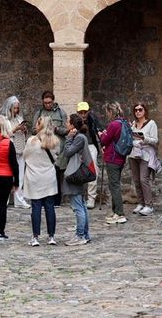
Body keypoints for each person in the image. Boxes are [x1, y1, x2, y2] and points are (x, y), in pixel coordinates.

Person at [23, 116, 59, 246]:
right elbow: (56, 158)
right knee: (50, 207)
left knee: (36, 207)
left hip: (34, 177)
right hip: (49, 176)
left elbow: (25, 156)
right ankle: (51, 236)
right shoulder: (55, 141)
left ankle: (35, 236)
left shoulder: (32, 141)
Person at [32, 91, 68, 206]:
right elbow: (34, 130)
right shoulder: (39, 113)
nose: (48, 105)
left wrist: (56, 129)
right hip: (43, 148)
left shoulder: (61, 112)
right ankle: (42, 199)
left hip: (57, 148)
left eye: (50, 102)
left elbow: (66, 130)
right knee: (43, 174)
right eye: (45, 103)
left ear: (53, 101)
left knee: (57, 174)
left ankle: (57, 200)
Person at [63, 114, 93, 245]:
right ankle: (85, 234)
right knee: (81, 205)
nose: (66, 125)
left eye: (67, 123)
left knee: (78, 207)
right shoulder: (81, 137)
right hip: (78, 174)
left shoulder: (79, 138)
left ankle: (80, 235)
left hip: (76, 174)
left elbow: (68, 152)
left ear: (72, 125)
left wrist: (69, 138)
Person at [98, 102, 128, 224]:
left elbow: (105, 140)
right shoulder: (124, 122)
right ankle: (115, 212)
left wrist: (101, 135)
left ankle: (120, 213)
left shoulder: (114, 125)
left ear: (110, 112)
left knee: (114, 186)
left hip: (112, 157)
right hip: (120, 157)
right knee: (114, 184)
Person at [128, 103, 159, 216]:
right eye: (135, 110)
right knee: (136, 180)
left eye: (140, 110)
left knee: (143, 179)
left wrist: (144, 138)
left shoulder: (151, 124)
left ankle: (148, 205)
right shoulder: (133, 124)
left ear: (145, 111)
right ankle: (140, 203)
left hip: (145, 154)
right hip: (134, 153)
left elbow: (155, 140)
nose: (138, 112)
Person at [0, 96, 31, 209]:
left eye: (18, 108)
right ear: (9, 107)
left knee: (20, 175)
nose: (16, 111)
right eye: (14, 108)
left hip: (20, 148)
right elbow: (3, 134)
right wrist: (15, 129)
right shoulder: (3, 119)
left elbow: (23, 132)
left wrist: (24, 129)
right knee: (8, 175)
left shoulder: (19, 118)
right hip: (9, 149)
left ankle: (19, 199)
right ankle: (5, 199)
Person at [76, 102, 103, 209]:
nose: (83, 114)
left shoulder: (92, 119)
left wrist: (103, 144)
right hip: (78, 147)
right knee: (77, 171)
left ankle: (91, 198)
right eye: (81, 112)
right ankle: (78, 197)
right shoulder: (74, 120)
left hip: (91, 146)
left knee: (93, 170)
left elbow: (99, 131)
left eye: (85, 112)